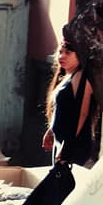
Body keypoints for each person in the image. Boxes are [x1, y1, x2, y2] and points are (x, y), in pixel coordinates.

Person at [42, 38, 96, 166]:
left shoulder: (81, 77)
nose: (62, 56)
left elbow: (81, 114)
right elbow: (62, 109)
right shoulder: (67, 76)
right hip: (60, 142)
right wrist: (51, 130)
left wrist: (67, 146)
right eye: (60, 52)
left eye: (68, 53)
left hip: (73, 145)